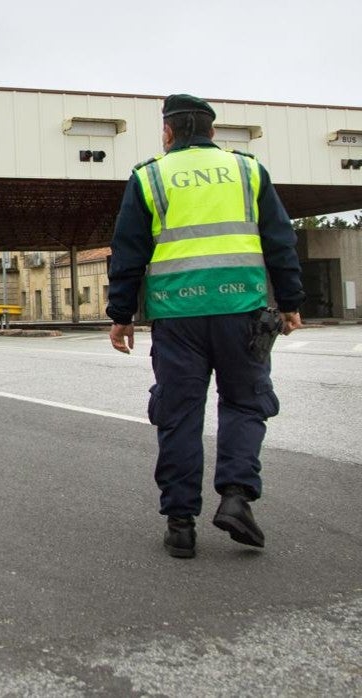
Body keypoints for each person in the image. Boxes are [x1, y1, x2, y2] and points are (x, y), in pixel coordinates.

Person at [107, 94, 304, 559]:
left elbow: (129, 251)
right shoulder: (248, 171)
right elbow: (279, 240)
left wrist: (121, 316)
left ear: (168, 133)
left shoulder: (149, 176)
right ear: (212, 133)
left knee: (179, 414)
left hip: (177, 318)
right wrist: (292, 302)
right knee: (243, 404)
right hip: (243, 313)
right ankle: (236, 498)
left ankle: (180, 524)